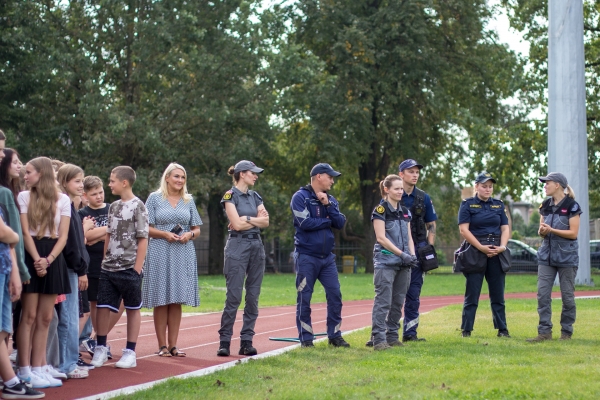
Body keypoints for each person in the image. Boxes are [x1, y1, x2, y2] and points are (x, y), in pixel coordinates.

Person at [17, 157, 71, 388]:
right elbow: (25, 232)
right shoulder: (23, 196)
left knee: (46, 317)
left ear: (42, 173)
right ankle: (24, 369)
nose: (25, 176)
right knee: (28, 316)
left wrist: (48, 260)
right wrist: (37, 259)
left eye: (29, 172)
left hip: (53, 257)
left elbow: (64, 235)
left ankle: (39, 368)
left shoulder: (64, 200)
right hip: (31, 254)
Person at [90, 166, 149, 369]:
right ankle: (100, 347)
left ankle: (130, 351)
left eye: (112, 180)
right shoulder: (113, 206)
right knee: (103, 306)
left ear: (124, 182)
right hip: (109, 268)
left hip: (129, 268)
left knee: (132, 308)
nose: (109, 184)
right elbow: (108, 234)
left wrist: (137, 268)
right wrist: (104, 260)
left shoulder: (138, 206)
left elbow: (143, 238)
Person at [143, 163, 202, 357]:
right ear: (167, 178)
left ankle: (174, 345)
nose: (180, 180)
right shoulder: (154, 199)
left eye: (183, 177)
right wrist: (164, 234)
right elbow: (145, 228)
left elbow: (197, 228)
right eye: (176, 176)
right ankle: (162, 346)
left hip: (182, 252)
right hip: (160, 250)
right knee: (162, 298)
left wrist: (189, 235)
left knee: (176, 298)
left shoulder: (188, 200)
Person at [290, 163, 349, 348]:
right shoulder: (300, 197)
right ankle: (306, 339)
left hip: (327, 258)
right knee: (304, 298)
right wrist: (326, 221)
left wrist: (327, 205)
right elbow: (304, 223)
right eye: (330, 177)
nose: (332, 180)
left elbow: (340, 222)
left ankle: (335, 336)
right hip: (306, 256)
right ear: (318, 176)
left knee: (335, 294)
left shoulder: (330, 200)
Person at [217, 160, 269, 357]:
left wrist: (245, 219)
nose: (256, 176)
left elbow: (266, 221)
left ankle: (247, 341)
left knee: (253, 297)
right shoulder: (230, 196)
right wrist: (250, 221)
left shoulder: (256, 196)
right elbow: (236, 226)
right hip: (237, 246)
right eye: (252, 173)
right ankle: (224, 341)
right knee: (234, 297)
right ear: (241, 174)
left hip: (257, 246)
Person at [527, 173, 581, 342]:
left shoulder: (572, 206)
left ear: (557, 185)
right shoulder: (545, 205)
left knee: (567, 297)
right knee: (543, 294)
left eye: (547, 183)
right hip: (546, 256)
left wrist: (551, 230)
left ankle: (566, 332)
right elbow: (542, 230)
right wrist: (543, 231)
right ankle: (544, 332)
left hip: (567, 257)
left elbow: (573, 233)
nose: (544, 186)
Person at [0, 200, 45, 398]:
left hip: (4, 267)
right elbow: (6, 234)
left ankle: (11, 382)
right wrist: (14, 235)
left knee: (2, 329)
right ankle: (11, 381)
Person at [457, 172, 510, 338]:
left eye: (490, 186)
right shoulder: (467, 204)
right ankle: (466, 330)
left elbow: (505, 228)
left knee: (498, 294)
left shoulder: (499, 205)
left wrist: (502, 246)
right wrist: (480, 247)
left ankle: (502, 329)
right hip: (475, 249)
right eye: (484, 186)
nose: (488, 189)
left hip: (495, 250)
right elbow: (463, 229)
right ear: (476, 186)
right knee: (472, 293)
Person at [370, 175, 417, 351]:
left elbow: (409, 236)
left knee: (398, 302)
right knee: (383, 302)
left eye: (401, 188)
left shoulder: (405, 211)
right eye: (396, 188)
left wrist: (411, 255)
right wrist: (402, 254)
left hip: (404, 264)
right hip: (386, 262)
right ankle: (379, 340)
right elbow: (381, 238)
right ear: (387, 189)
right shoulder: (380, 211)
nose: (400, 192)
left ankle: (392, 336)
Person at [79, 176, 122, 359]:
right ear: (85, 195)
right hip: (93, 264)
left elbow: (120, 232)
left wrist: (96, 234)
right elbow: (85, 239)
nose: (98, 196)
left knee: (120, 302)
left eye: (101, 192)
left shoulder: (112, 208)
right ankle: (98, 342)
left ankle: (98, 338)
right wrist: (107, 231)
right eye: (94, 194)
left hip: (114, 261)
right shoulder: (82, 213)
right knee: (96, 304)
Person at [56, 164, 90, 379]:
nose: (81, 185)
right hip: (69, 268)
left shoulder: (70, 205)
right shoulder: (65, 205)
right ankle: (66, 364)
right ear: (64, 181)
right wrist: (80, 268)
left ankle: (65, 361)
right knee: (68, 318)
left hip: (72, 267)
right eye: (77, 181)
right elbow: (71, 244)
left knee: (68, 317)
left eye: (82, 181)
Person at [0, 148, 31, 364]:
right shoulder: (5, 193)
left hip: (9, 263)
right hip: (8, 265)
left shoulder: (10, 191)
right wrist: (21, 268)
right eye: (15, 162)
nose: (19, 166)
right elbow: (13, 235)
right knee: (5, 323)